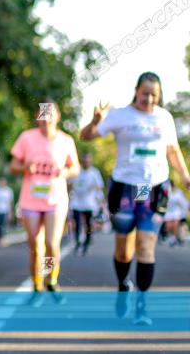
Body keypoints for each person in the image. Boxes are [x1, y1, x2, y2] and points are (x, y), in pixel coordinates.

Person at [81, 71, 190, 325]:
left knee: (145, 244)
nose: (149, 100)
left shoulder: (164, 117)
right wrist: (95, 121)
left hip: (154, 187)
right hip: (125, 188)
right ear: (136, 91)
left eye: (154, 95)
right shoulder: (120, 115)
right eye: (145, 94)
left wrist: (185, 175)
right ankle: (123, 286)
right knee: (123, 250)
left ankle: (142, 305)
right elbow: (86, 136)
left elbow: (172, 149)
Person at [9, 100, 79, 305]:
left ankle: (52, 280)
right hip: (30, 200)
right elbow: (13, 165)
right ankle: (36, 285)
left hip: (55, 200)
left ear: (57, 117)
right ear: (37, 118)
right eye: (42, 116)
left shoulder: (66, 141)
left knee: (51, 243)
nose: (45, 120)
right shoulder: (27, 138)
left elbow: (74, 168)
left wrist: (64, 171)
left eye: (49, 116)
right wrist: (24, 168)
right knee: (35, 246)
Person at [68, 153, 104, 255]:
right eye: (85, 161)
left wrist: (94, 188)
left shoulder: (94, 172)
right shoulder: (76, 171)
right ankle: (78, 241)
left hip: (89, 203)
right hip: (76, 203)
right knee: (77, 223)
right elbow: (69, 184)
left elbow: (100, 186)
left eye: (88, 161)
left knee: (88, 224)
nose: (86, 163)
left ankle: (87, 241)